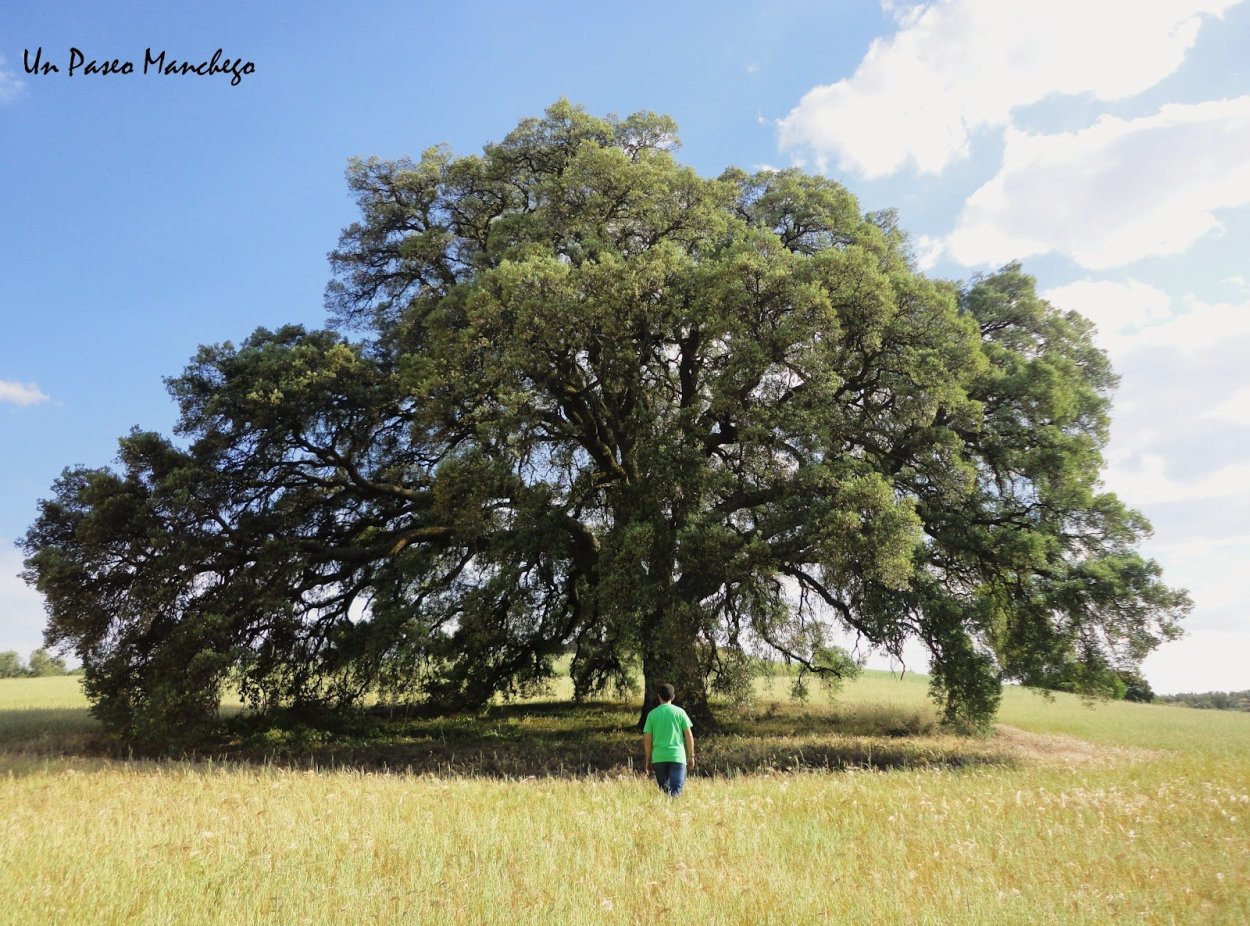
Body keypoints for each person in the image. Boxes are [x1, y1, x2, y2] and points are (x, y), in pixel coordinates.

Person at [642, 683, 694, 796]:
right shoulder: (680, 713)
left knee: (665, 791)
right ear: (673, 697)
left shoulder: (652, 715)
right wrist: (691, 756)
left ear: (658, 696)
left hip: (659, 758)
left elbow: (647, 740)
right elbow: (689, 736)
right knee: (676, 790)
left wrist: (648, 759)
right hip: (677, 757)